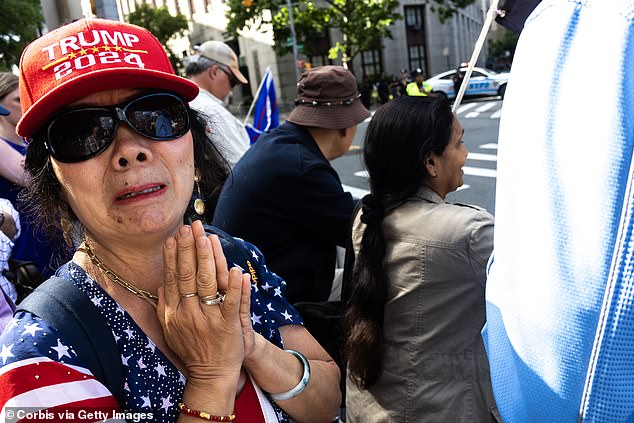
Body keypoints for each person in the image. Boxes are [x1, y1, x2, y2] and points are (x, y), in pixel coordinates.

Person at [0, 18, 341, 423]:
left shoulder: (235, 258)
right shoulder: (40, 352)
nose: (130, 150)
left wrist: (251, 347)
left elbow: (327, 400)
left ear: (192, 145)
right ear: (52, 179)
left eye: (156, 116)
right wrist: (212, 375)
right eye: (83, 132)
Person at [342, 96, 498, 422]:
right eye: (459, 142)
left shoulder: (368, 217)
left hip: (368, 403)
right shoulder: (467, 232)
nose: (466, 153)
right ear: (430, 161)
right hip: (439, 408)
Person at [213, 65, 370, 304]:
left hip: (255, 290)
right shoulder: (303, 168)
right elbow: (359, 227)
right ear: (344, 125)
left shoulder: (279, 143)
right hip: (277, 307)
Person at [0, 72, 54, 279]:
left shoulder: (30, 144)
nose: (24, 104)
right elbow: (33, 179)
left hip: (51, 232)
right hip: (25, 244)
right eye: (17, 99)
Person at [184, 41, 250, 168]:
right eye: (233, 81)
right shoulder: (211, 110)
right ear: (214, 72)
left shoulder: (184, 102)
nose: (231, 89)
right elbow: (243, 167)